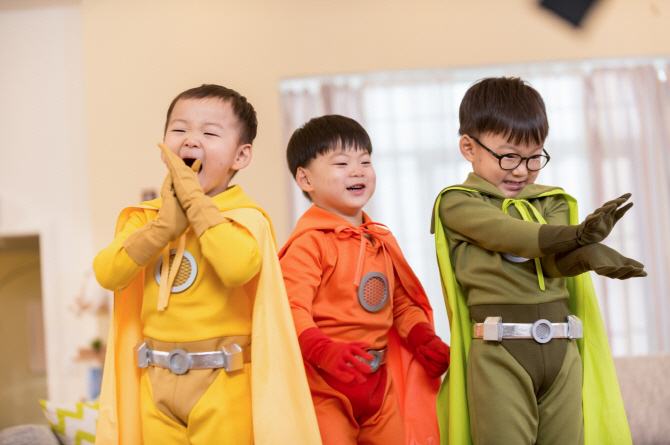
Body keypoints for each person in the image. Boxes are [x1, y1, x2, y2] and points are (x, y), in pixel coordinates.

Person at [93, 84, 320, 445]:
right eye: (179, 129)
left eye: (210, 132)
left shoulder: (246, 220)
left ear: (240, 156)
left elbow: (236, 268)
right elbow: (108, 273)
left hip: (223, 381)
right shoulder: (144, 220)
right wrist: (163, 226)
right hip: (154, 379)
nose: (191, 140)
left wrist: (195, 205)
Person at [431, 77, 646, 445]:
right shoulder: (457, 202)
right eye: (509, 156)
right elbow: (511, 236)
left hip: (562, 349)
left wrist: (587, 257)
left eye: (534, 157)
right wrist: (579, 236)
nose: (521, 170)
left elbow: (549, 263)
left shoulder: (552, 201)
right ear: (468, 146)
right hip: (501, 352)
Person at [279, 114, 449, 445]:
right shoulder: (308, 243)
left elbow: (400, 303)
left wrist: (422, 337)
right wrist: (324, 350)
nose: (357, 170)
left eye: (365, 161)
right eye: (341, 163)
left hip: (378, 382)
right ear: (305, 179)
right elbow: (290, 307)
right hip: (323, 386)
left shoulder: (378, 240)